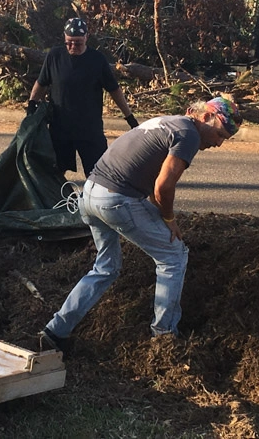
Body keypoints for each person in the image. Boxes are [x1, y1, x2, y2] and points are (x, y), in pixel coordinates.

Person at [39, 96, 242, 352]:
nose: (219, 143)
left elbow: (146, 176)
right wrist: (169, 219)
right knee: (173, 257)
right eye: (220, 134)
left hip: (90, 193)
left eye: (225, 139)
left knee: (105, 267)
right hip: (115, 200)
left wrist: (160, 215)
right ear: (205, 117)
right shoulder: (188, 134)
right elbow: (163, 187)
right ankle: (165, 338)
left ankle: (55, 331)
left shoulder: (167, 123)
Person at [27, 17, 138, 177]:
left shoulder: (97, 59)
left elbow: (114, 90)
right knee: (55, 173)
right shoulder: (54, 56)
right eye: (69, 42)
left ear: (86, 37)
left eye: (78, 43)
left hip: (89, 129)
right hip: (60, 128)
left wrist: (129, 117)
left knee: (98, 174)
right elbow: (41, 83)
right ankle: (58, 201)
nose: (73, 46)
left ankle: (94, 202)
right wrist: (32, 104)